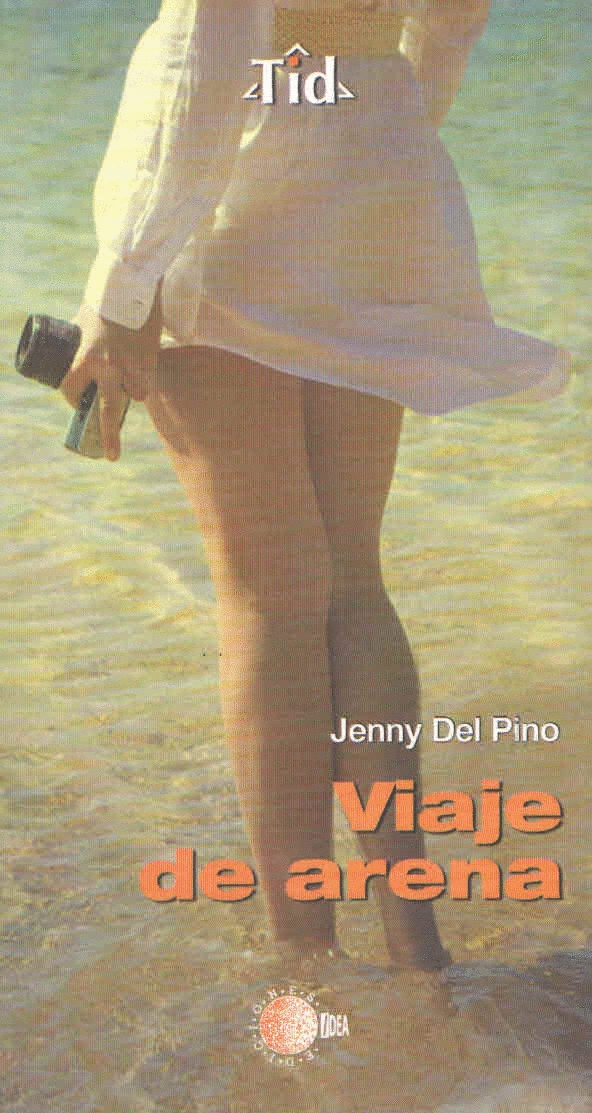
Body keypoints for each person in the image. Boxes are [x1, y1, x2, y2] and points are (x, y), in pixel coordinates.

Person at [61, 0, 570, 972]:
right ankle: (418, 952)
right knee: (350, 582)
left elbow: (210, 46)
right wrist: (381, 128)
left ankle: (307, 959)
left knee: (269, 598)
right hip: (377, 156)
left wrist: (123, 289)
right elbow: (455, 17)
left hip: (236, 169)